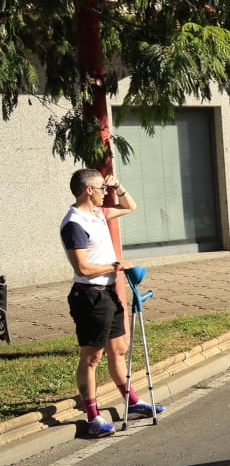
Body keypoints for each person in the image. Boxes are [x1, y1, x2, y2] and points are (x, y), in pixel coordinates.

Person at [59, 168, 163, 437]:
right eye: (102, 188)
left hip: (108, 292)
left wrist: (118, 186)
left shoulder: (98, 214)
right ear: (88, 190)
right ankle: (92, 416)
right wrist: (116, 266)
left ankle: (132, 401)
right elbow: (82, 268)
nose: (106, 193)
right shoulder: (74, 223)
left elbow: (130, 206)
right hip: (90, 296)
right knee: (92, 357)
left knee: (118, 349)